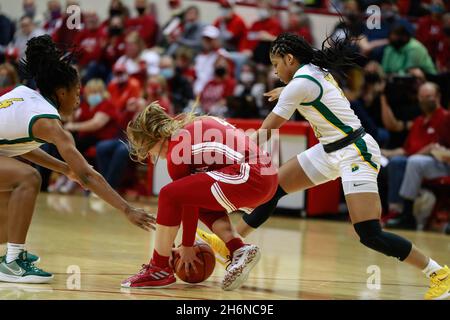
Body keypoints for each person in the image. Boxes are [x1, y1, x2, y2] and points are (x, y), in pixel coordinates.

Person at [197, 33, 450, 300]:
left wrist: (229, 154)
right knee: (273, 187)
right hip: (330, 149)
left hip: (355, 152)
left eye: (276, 64)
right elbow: (309, 87)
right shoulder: (311, 72)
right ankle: (230, 244)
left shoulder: (300, 84)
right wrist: (286, 90)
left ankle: (438, 274)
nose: (275, 71)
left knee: (369, 233)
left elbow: (265, 132)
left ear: (290, 59)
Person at [0, 35, 154, 284]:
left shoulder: (25, 95)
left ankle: (10, 256)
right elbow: (86, 174)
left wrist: (64, 169)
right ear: (61, 92)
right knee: (28, 177)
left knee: (10, 216)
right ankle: (13, 263)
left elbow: (14, 146)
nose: (80, 99)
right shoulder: (47, 121)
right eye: (77, 92)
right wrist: (126, 209)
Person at [121, 102, 277, 290]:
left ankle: (158, 267)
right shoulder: (198, 124)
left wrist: (187, 245)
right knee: (200, 201)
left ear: (153, 138)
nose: (149, 155)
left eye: (146, 149)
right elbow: (193, 201)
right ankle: (238, 249)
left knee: (169, 194)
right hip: (267, 177)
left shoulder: (176, 151)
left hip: (250, 175)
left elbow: (185, 202)